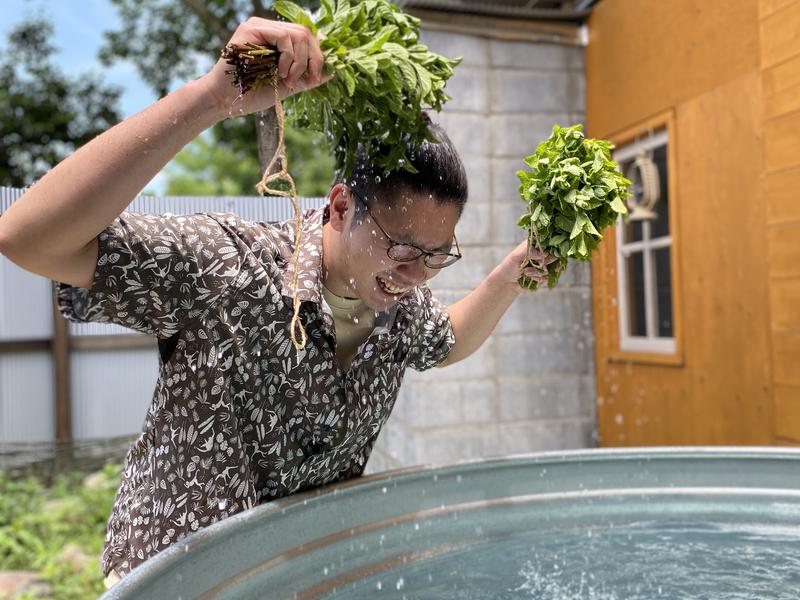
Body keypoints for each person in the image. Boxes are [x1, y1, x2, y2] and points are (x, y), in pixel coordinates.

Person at [0, 18, 554, 586]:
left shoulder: (400, 308)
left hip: (293, 577)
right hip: (175, 580)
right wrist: (212, 98)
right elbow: (28, 238)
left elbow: (448, 339)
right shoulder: (228, 268)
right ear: (340, 206)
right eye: (403, 248)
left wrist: (512, 274)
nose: (414, 275)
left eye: (437, 256)